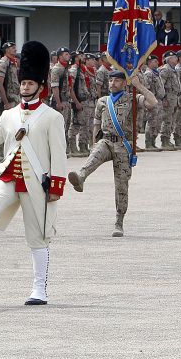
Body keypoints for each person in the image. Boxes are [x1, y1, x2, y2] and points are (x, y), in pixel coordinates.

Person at [0, 40, 67, 306]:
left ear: (40, 86)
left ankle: (39, 289)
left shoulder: (52, 117)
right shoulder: (8, 115)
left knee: (37, 236)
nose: (26, 87)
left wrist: (56, 187)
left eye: (30, 84)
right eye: (24, 83)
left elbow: (59, 156)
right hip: (9, 174)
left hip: (37, 182)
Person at [68, 67, 158, 237]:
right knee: (95, 155)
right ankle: (80, 177)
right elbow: (96, 124)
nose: (112, 83)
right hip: (107, 141)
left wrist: (138, 85)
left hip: (124, 145)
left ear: (124, 83)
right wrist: (94, 143)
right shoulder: (102, 101)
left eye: (116, 80)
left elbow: (153, 103)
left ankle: (119, 221)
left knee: (121, 184)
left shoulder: (132, 98)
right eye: (110, 80)